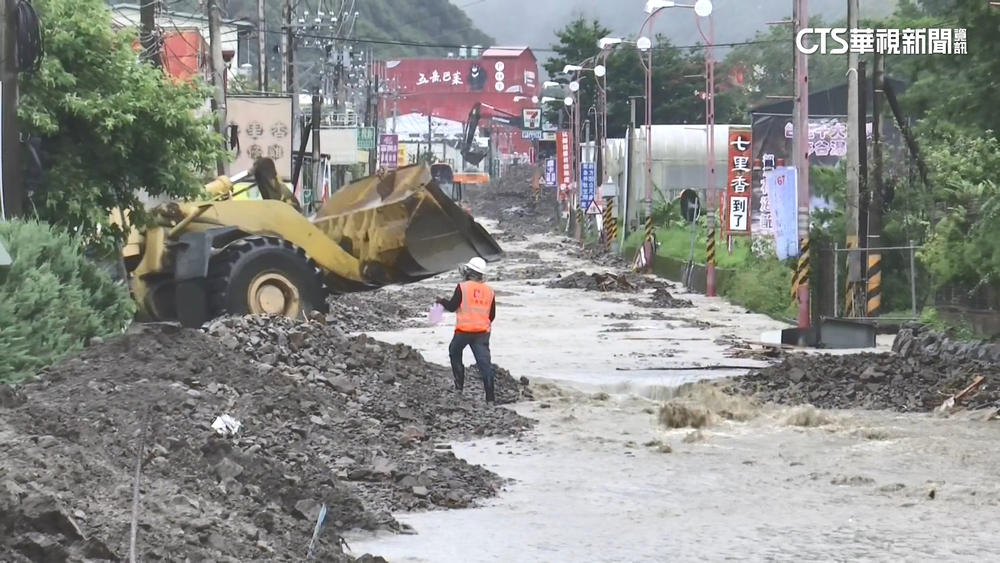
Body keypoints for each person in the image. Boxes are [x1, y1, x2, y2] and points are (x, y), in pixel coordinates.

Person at [436, 257, 497, 404]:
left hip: (463, 331)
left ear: (469, 271)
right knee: (485, 365)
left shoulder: (463, 287)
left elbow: (452, 307)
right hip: (482, 333)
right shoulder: (490, 291)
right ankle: (490, 400)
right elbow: (492, 315)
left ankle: (459, 388)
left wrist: (441, 301)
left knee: (454, 352)